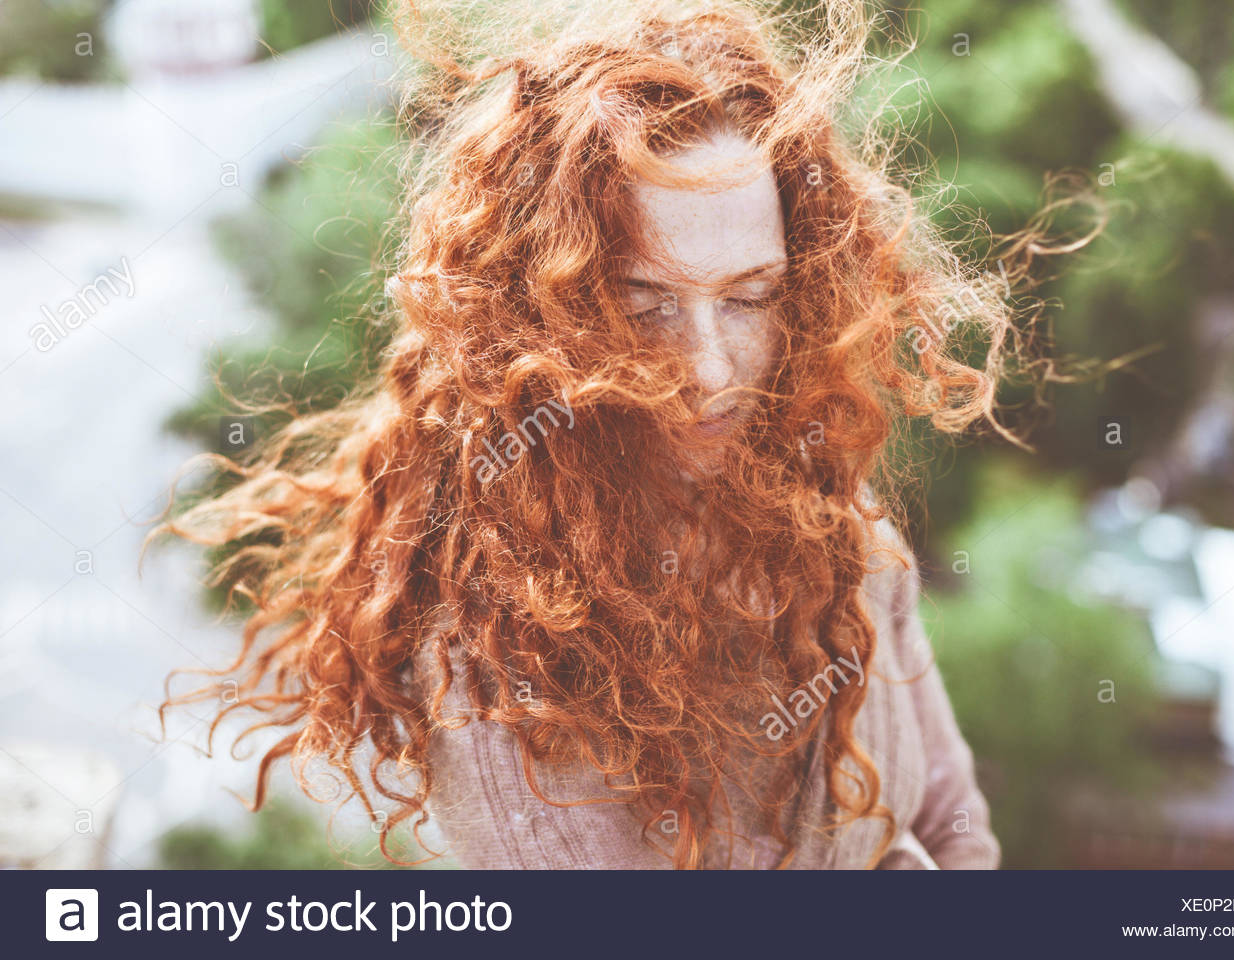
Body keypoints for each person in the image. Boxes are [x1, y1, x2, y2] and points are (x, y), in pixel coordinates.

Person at [153, 0, 1042, 869]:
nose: (708, 368)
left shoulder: (839, 527)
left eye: (750, 298)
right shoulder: (500, 662)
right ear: (546, 321)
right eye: (644, 305)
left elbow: (957, 813)